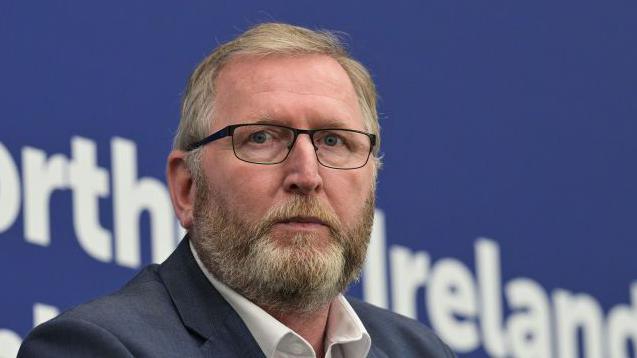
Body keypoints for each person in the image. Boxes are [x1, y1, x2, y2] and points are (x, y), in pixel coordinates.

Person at [18, 23, 455, 358]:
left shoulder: (419, 349)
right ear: (187, 188)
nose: (307, 174)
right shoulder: (98, 346)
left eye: (334, 141)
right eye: (261, 138)